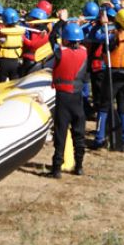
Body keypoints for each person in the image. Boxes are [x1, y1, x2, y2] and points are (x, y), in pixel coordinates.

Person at [90, 6, 124, 151]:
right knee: (123, 109)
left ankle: (99, 139)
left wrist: (102, 25)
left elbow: (97, 37)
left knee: (104, 107)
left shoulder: (114, 36)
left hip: (112, 74)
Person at [47, 13, 89, 178]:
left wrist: (61, 21)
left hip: (63, 97)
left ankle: (56, 169)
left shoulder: (60, 52)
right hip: (77, 98)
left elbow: (52, 37)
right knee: (79, 133)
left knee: (60, 133)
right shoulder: (85, 51)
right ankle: (79, 166)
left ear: (65, 39)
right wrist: (77, 25)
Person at [21, 7, 50, 76]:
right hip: (36, 60)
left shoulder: (38, 32)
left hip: (31, 60)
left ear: (36, 20)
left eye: (31, 19)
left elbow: (32, 45)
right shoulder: (42, 30)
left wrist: (22, 38)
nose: (29, 21)